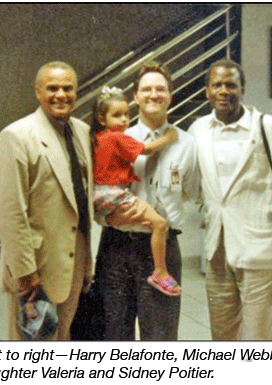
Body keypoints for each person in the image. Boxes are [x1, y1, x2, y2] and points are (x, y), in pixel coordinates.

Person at [188, 58, 272, 340]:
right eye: (217, 85)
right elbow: (195, 186)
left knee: (261, 337)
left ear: (243, 89)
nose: (224, 91)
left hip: (259, 247)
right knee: (222, 336)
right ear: (207, 92)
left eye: (231, 85)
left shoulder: (270, 129)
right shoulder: (198, 130)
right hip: (217, 249)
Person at [94, 61, 200, 340]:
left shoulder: (187, 143)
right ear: (136, 97)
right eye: (147, 89)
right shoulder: (118, 137)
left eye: (161, 89)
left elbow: (190, 192)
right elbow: (98, 187)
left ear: (170, 95)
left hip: (162, 250)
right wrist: (108, 217)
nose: (154, 95)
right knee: (114, 336)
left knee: (161, 338)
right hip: (116, 247)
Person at [0, 61, 94, 340]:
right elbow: (8, 210)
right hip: (36, 267)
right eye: (52, 88)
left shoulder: (82, 132)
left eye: (67, 88)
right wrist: (26, 272)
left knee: (62, 339)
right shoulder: (17, 136)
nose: (61, 94)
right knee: (31, 351)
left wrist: (87, 264)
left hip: (75, 259)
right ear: (38, 92)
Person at [91, 85, 181, 296]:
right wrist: (169, 137)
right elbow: (147, 150)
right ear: (102, 119)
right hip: (115, 194)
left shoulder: (99, 138)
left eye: (126, 114)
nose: (123, 120)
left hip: (100, 195)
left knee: (142, 222)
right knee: (160, 223)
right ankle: (160, 271)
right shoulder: (117, 137)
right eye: (117, 115)